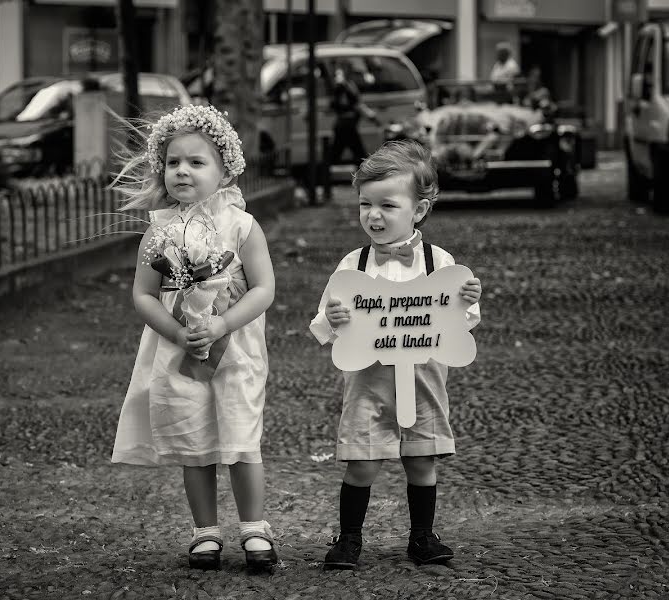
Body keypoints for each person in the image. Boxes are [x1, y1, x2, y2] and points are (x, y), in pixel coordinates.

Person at [110, 104, 278, 572]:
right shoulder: (158, 232)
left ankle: (253, 529)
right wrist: (179, 333)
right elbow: (144, 296)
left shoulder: (242, 226)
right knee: (194, 438)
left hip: (236, 348)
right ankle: (205, 532)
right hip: (177, 349)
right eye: (173, 162)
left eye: (196, 162)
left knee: (241, 435)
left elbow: (264, 288)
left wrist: (222, 324)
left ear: (225, 170)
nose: (182, 170)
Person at [309, 140, 482, 569]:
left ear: (418, 210)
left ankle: (422, 536)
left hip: (424, 378)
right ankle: (349, 538)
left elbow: (462, 321)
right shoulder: (354, 263)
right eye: (365, 204)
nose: (374, 215)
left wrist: (467, 299)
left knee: (422, 461)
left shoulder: (438, 260)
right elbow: (327, 328)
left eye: (387, 205)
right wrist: (334, 315)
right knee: (362, 463)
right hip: (369, 381)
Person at [329, 62, 379, 168]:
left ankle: (323, 177)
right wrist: (371, 117)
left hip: (345, 125)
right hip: (346, 125)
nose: (359, 76)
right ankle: (365, 176)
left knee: (336, 153)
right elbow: (356, 105)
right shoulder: (344, 87)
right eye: (356, 73)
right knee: (359, 154)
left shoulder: (348, 85)